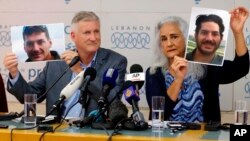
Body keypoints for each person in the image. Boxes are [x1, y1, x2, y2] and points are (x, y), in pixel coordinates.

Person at [3, 11, 127, 118]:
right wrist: (14, 73)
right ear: (73, 36)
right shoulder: (57, 63)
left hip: (94, 131)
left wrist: (80, 71)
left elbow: (112, 101)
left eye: (96, 32)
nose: (94, 38)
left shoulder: (115, 62)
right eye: (87, 33)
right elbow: (30, 97)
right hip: (58, 131)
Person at [146, 7, 249, 122]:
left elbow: (241, 68)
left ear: (186, 38)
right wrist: (178, 80)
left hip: (203, 137)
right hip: (166, 138)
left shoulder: (205, 65)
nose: (169, 43)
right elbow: (159, 115)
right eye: (163, 39)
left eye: (174, 37)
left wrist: (238, 32)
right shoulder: (154, 72)